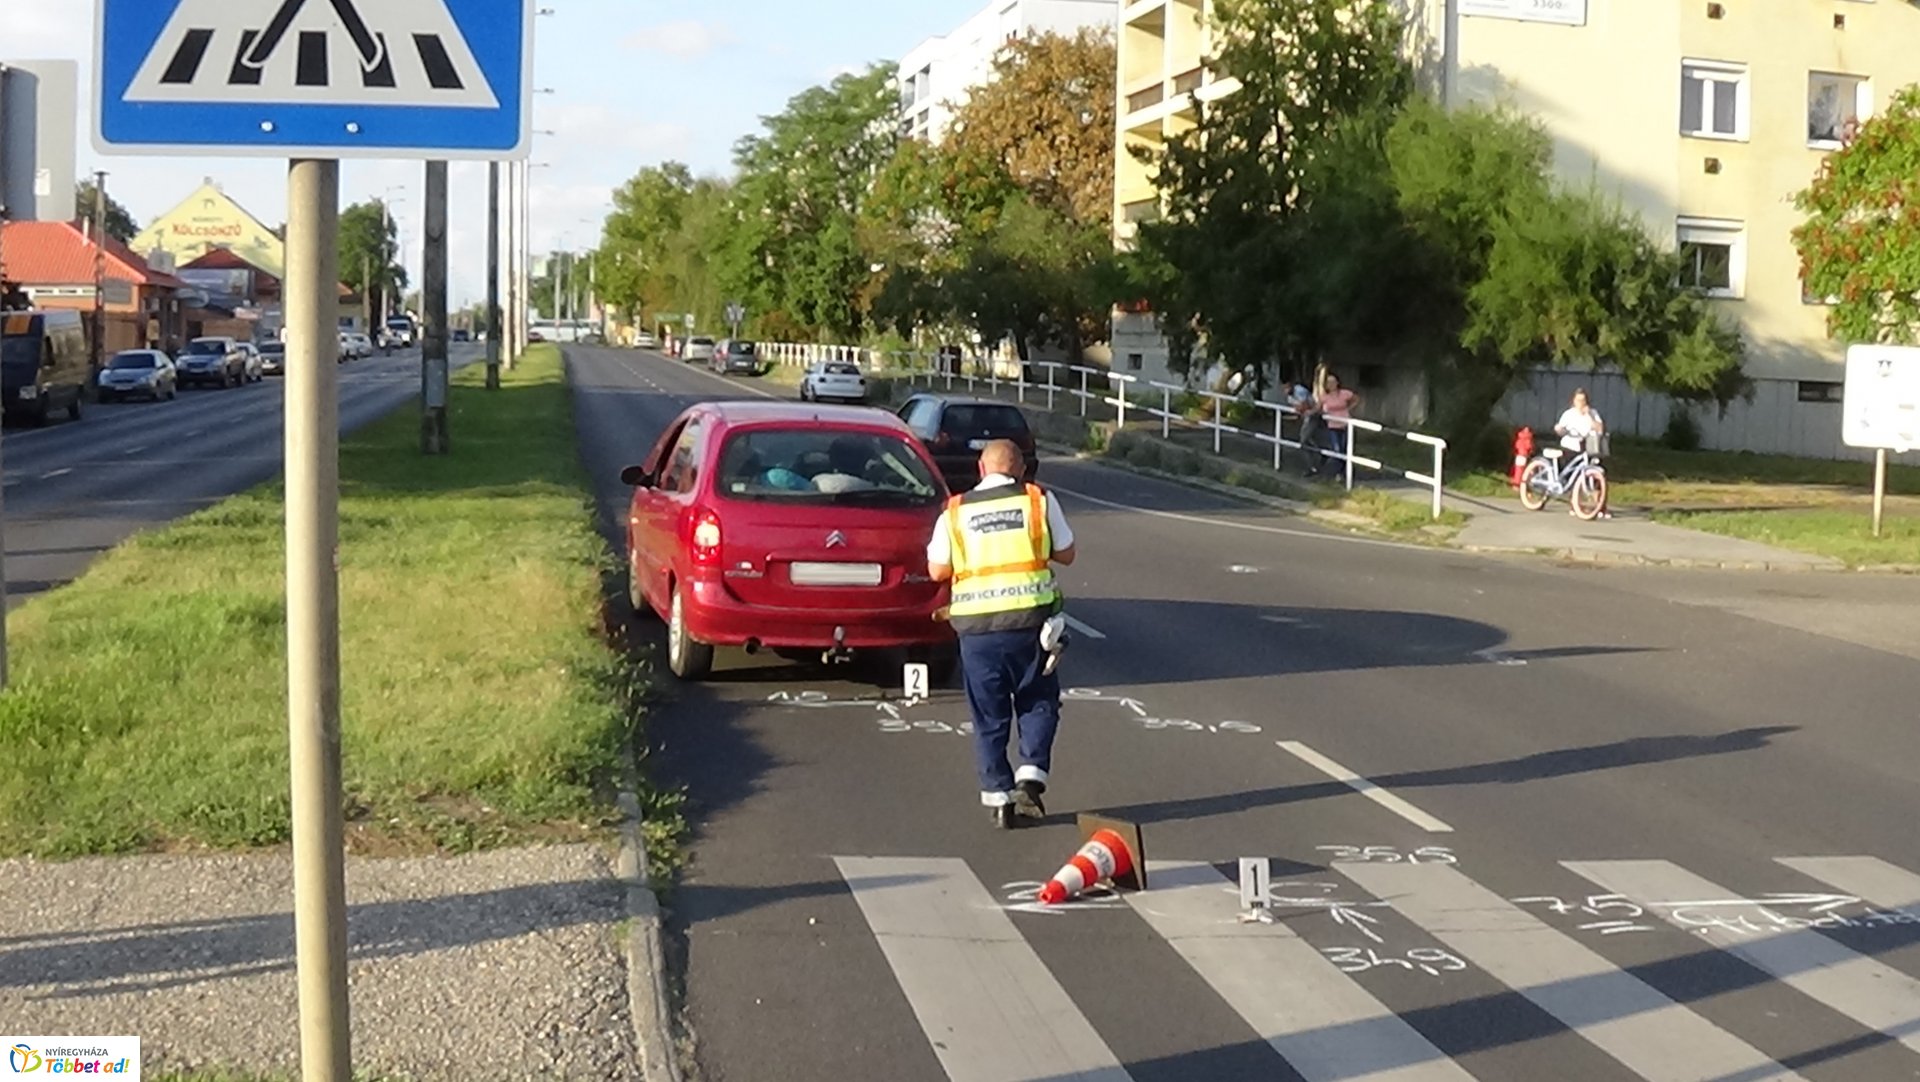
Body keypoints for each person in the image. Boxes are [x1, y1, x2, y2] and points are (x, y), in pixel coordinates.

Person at [927, 440, 1077, 830]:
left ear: (981, 469)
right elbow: (1067, 553)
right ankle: (1031, 776)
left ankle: (999, 797)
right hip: (1030, 623)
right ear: (1023, 470)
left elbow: (937, 571)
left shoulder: (955, 512)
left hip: (977, 630)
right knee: (1038, 700)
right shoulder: (1038, 501)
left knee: (989, 715)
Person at [1555, 388, 1611, 519]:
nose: (1581, 403)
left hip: (1589, 448)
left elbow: (1600, 428)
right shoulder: (1569, 414)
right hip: (1571, 447)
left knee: (1597, 475)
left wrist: (1590, 416)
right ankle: (1575, 505)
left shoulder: (1592, 413)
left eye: (1583, 400)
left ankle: (1601, 506)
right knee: (1574, 476)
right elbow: (1560, 428)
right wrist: (1560, 430)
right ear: (1573, 401)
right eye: (1578, 400)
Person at [1304, 372, 1359, 478]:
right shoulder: (1325, 397)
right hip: (1333, 426)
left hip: (1345, 424)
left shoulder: (1344, 393)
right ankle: (1340, 472)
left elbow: (1356, 399)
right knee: (1337, 449)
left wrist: (1349, 408)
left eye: (1333, 382)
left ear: (1337, 383)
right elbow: (1317, 408)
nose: (1331, 384)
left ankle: (1344, 471)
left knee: (1344, 449)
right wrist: (1309, 412)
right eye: (1328, 382)